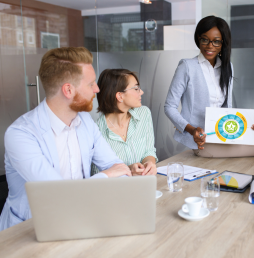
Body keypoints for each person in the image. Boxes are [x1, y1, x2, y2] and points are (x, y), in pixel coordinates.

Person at [0, 47, 131, 231]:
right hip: (28, 231)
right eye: (90, 84)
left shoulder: (85, 120)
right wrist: (106, 176)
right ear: (68, 90)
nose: (97, 89)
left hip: (77, 220)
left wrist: (116, 176)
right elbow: (57, 194)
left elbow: (118, 168)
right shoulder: (20, 134)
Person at [164, 15, 254, 158]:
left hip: (222, 137)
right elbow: (169, 106)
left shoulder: (227, 68)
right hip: (202, 142)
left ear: (223, 43)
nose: (209, 46)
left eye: (216, 42)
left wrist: (244, 127)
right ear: (198, 39)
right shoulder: (187, 67)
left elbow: (227, 110)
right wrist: (192, 130)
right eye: (205, 39)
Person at [91, 69, 158, 176]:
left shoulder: (144, 114)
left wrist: (148, 163)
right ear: (120, 96)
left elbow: (149, 151)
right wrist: (129, 169)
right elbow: (97, 174)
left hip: (143, 184)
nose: (141, 92)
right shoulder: (96, 130)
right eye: (136, 88)